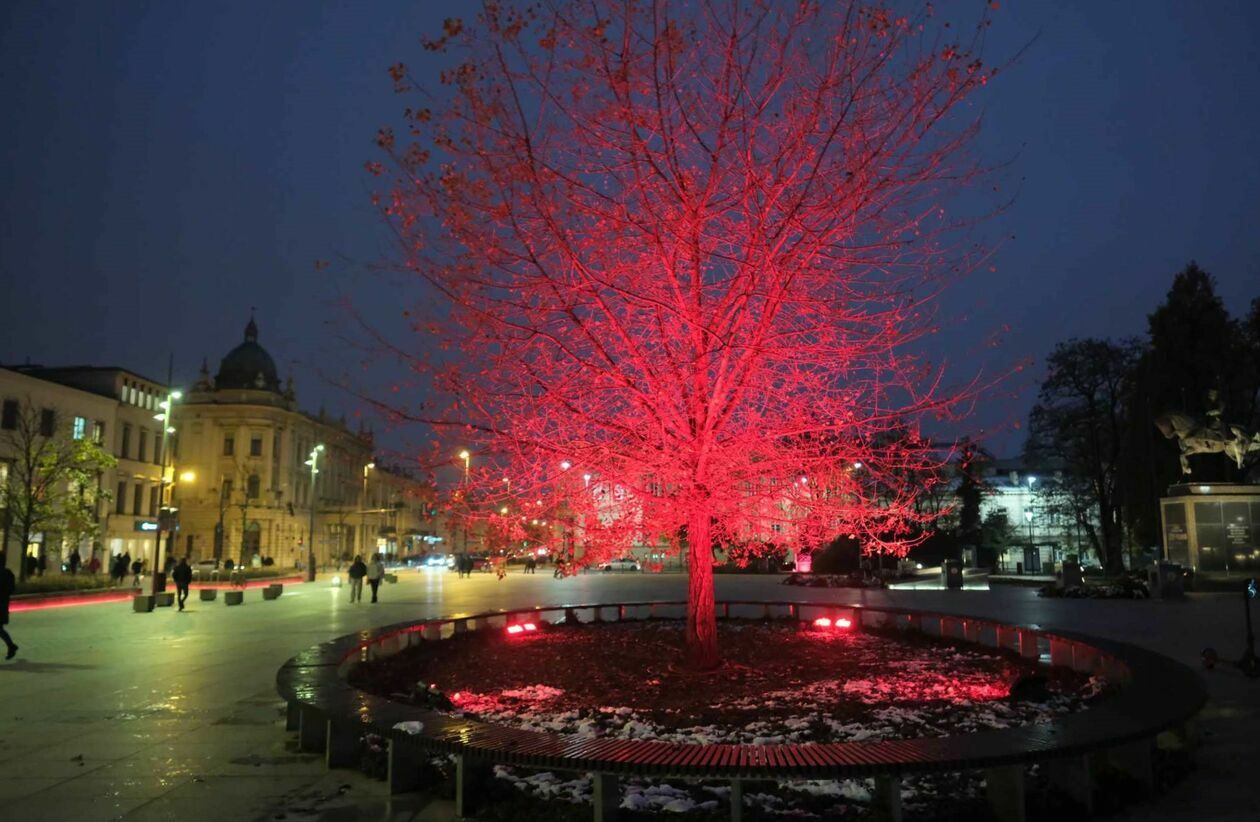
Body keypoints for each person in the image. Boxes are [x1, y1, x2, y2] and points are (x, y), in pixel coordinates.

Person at [0, 553, 17, 660]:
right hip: (3, 604)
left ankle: (11, 646)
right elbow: (11, 589)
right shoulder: (8, 573)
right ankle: (11, 646)